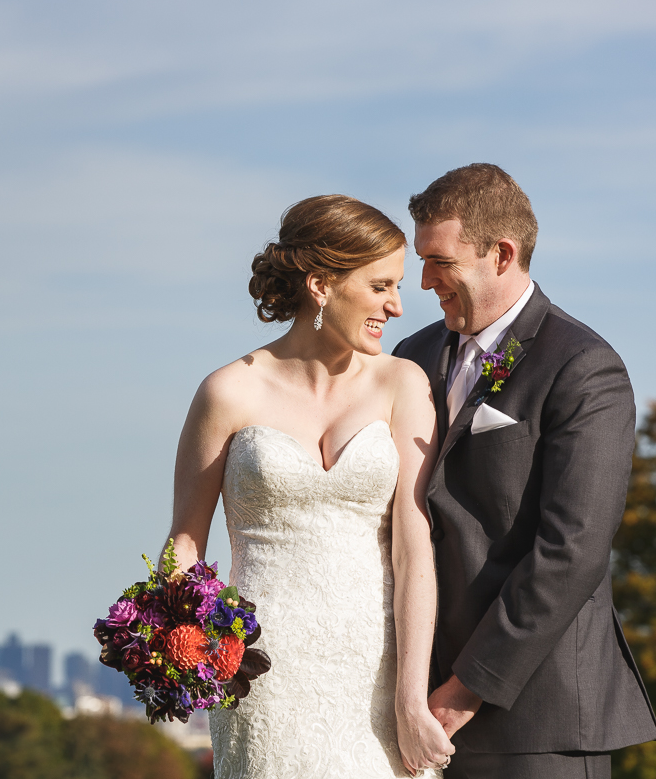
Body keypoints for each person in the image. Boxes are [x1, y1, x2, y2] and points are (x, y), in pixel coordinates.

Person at [166, 195, 455, 778]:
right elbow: (185, 543)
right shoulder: (227, 392)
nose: (397, 306)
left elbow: (414, 546)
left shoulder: (404, 383)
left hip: (378, 669)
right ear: (322, 284)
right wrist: (186, 643)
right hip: (262, 676)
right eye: (380, 286)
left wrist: (411, 696)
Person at [392, 164, 656, 779]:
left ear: (502, 254)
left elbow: (572, 550)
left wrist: (463, 692)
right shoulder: (411, 358)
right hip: (412, 711)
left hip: (538, 721)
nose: (425, 279)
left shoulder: (582, 367)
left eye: (440, 261)